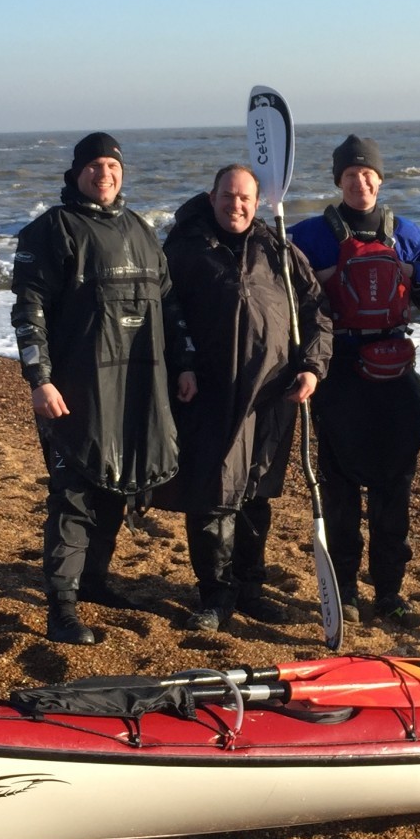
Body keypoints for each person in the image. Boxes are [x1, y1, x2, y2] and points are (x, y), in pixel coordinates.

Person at [12, 132, 196, 645]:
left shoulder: (140, 231)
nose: (104, 174)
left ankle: (94, 581)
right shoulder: (52, 231)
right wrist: (39, 380)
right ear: (76, 174)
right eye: (93, 166)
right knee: (74, 492)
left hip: (138, 384)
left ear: (122, 173)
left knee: (119, 481)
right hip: (76, 387)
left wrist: (185, 366)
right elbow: (30, 314)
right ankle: (62, 604)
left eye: (112, 166)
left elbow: (170, 308)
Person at [287, 135, 420, 629]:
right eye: (350, 174)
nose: (360, 182)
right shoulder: (310, 234)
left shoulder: (404, 230)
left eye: (368, 174)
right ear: (337, 180)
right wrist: (323, 277)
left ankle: (389, 593)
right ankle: (345, 592)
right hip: (339, 376)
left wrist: (409, 269)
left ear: (380, 179)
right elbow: (276, 285)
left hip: (395, 374)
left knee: (394, 490)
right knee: (339, 493)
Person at [163, 164, 332, 631]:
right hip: (209, 392)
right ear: (212, 195)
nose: (235, 205)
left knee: (256, 492)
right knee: (213, 494)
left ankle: (250, 588)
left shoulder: (277, 248)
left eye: (244, 198)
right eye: (227, 196)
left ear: (257, 203)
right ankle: (215, 596)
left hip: (270, 394)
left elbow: (316, 310)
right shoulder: (184, 249)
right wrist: (183, 365)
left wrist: (313, 368)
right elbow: (163, 314)